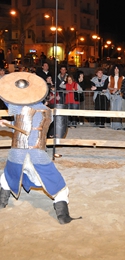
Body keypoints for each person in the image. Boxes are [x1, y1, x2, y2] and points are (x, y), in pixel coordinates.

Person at [0, 72, 81, 224]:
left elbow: (7, 98)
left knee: (6, 177)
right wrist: (10, 126)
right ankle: (63, 216)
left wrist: (7, 85)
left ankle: (1, 202)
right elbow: (28, 130)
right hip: (37, 154)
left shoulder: (18, 108)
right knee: (60, 188)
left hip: (17, 154)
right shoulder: (47, 111)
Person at [107, 64, 124, 130]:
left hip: (119, 95)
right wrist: (112, 89)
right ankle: (113, 125)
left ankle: (118, 125)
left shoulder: (122, 77)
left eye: (117, 68)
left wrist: (119, 90)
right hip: (112, 94)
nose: (116, 70)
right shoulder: (110, 77)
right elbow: (108, 86)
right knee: (113, 109)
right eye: (115, 68)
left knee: (118, 109)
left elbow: (123, 87)